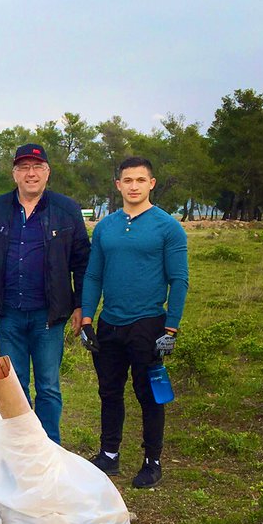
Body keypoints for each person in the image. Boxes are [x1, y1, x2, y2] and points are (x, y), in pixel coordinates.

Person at [81, 157, 189, 489]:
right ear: (118, 185)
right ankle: (109, 454)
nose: (134, 186)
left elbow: (179, 279)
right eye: (127, 180)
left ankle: (152, 460)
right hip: (109, 323)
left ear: (151, 183)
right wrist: (87, 319)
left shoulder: (167, 226)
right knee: (109, 391)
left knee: (150, 393)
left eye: (140, 180)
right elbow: (94, 274)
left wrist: (171, 328)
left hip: (149, 324)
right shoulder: (105, 227)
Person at [0, 143, 90, 444]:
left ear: (47, 172)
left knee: (49, 385)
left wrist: (81, 305)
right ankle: (21, 446)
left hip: (49, 314)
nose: (31, 173)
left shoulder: (66, 209)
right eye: (24, 168)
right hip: (9, 314)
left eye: (37, 167)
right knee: (13, 385)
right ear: (14, 174)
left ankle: (50, 446)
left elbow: (82, 261)